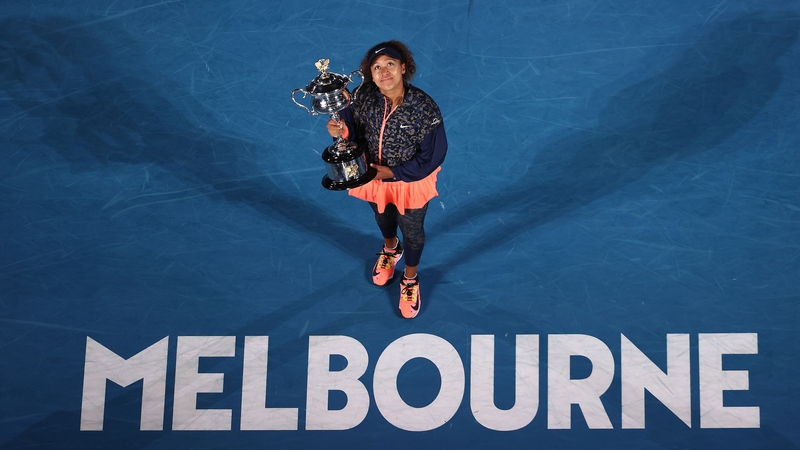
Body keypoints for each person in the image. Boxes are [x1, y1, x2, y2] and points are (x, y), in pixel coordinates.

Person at [326, 40, 447, 319]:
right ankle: (391, 249)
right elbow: (350, 133)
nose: (383, 72)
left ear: (403, 67)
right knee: (383, 218)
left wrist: (392, 172)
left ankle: (410, 279)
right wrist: (337, 130)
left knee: (413, 232)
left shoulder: (424, 108)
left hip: (409, 182)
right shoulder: (362, 96)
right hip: (372, 176)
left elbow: (433, 156)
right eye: (376, 67)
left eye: (389, 64)